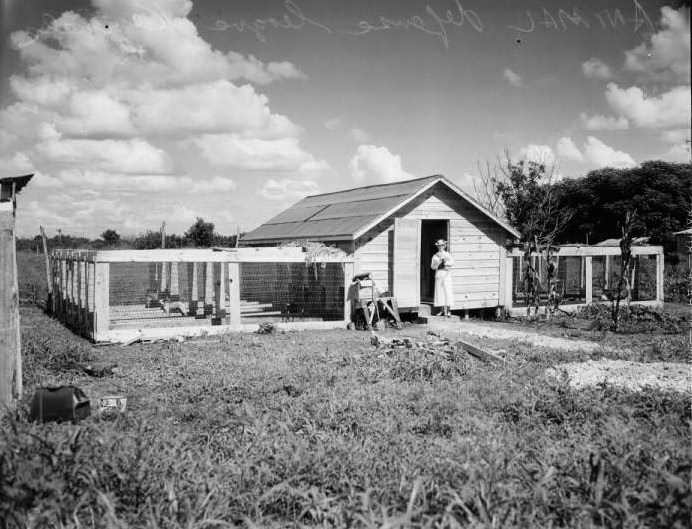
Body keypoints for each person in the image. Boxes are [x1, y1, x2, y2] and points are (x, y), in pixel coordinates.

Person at [430, 239, 454, 317]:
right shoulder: (435, 255)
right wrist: (437, 264)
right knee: (440, 292)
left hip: (446, 274)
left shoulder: (447, 254)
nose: (440, 247)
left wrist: (445, 263)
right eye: (439, 246)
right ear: (437, 247)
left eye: (442, 246)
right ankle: (442, 311)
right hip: (439, 274)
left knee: (447, 290)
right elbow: (432, 266)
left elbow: (452, 262)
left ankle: (449, 311)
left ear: (444, 246)